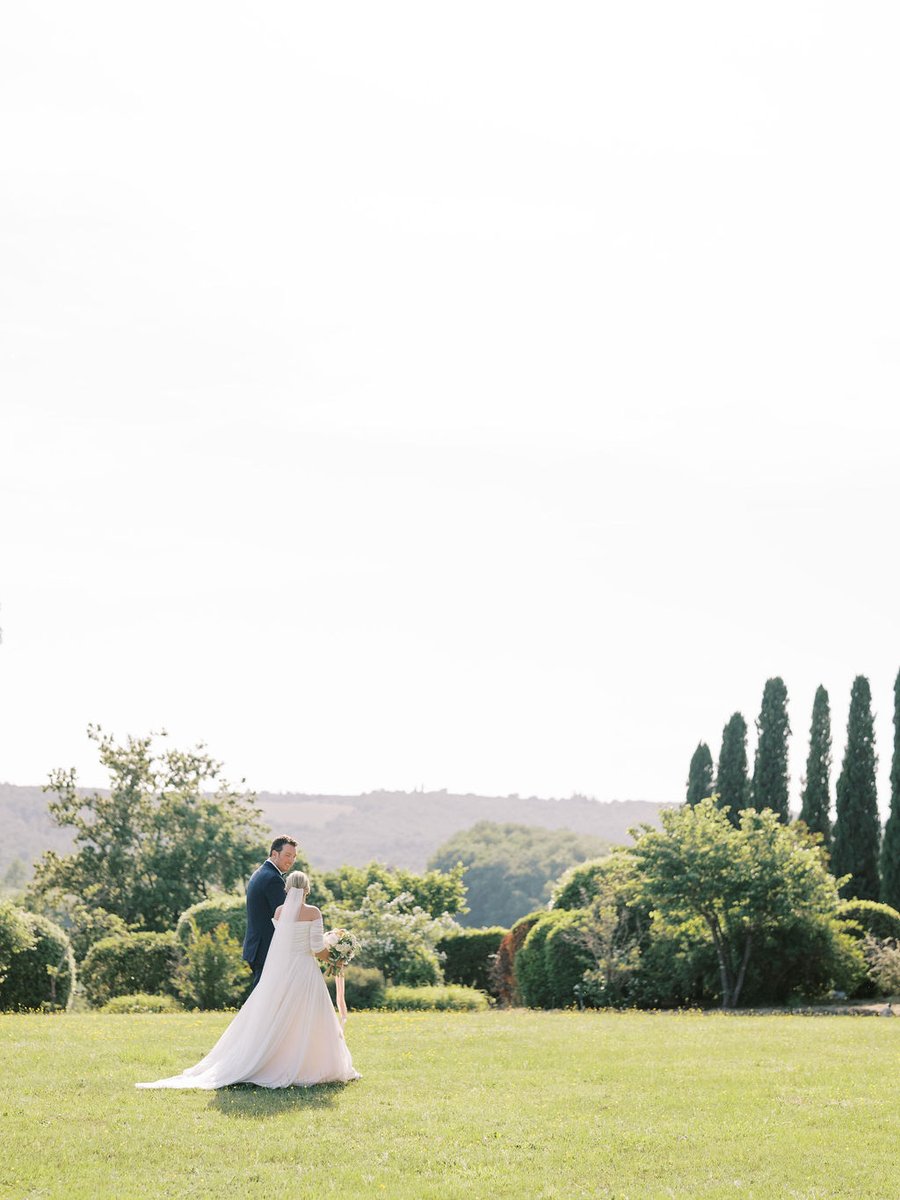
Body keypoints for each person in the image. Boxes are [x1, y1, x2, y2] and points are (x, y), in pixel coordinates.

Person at [136, 871, 360, 1089]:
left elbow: (285, 943)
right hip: (304, 971)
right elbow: (316, 948)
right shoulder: (313, 912)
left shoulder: (280, 912)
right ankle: (309, 1065)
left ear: (287, 888)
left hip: (282, 972)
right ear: (307, 889)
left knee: (280, 1015)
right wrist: (336, 957)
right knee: (310, 1016)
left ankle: (277, 1060)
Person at [243, 835, 297, 988]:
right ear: (274, 854)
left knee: (263, 998)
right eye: (287, 855)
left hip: (257, 946)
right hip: (266, 948)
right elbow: (286, 915)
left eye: (294, 856)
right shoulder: (273, 879)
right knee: (262, 999)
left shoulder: (261, 873)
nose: (291, 860)